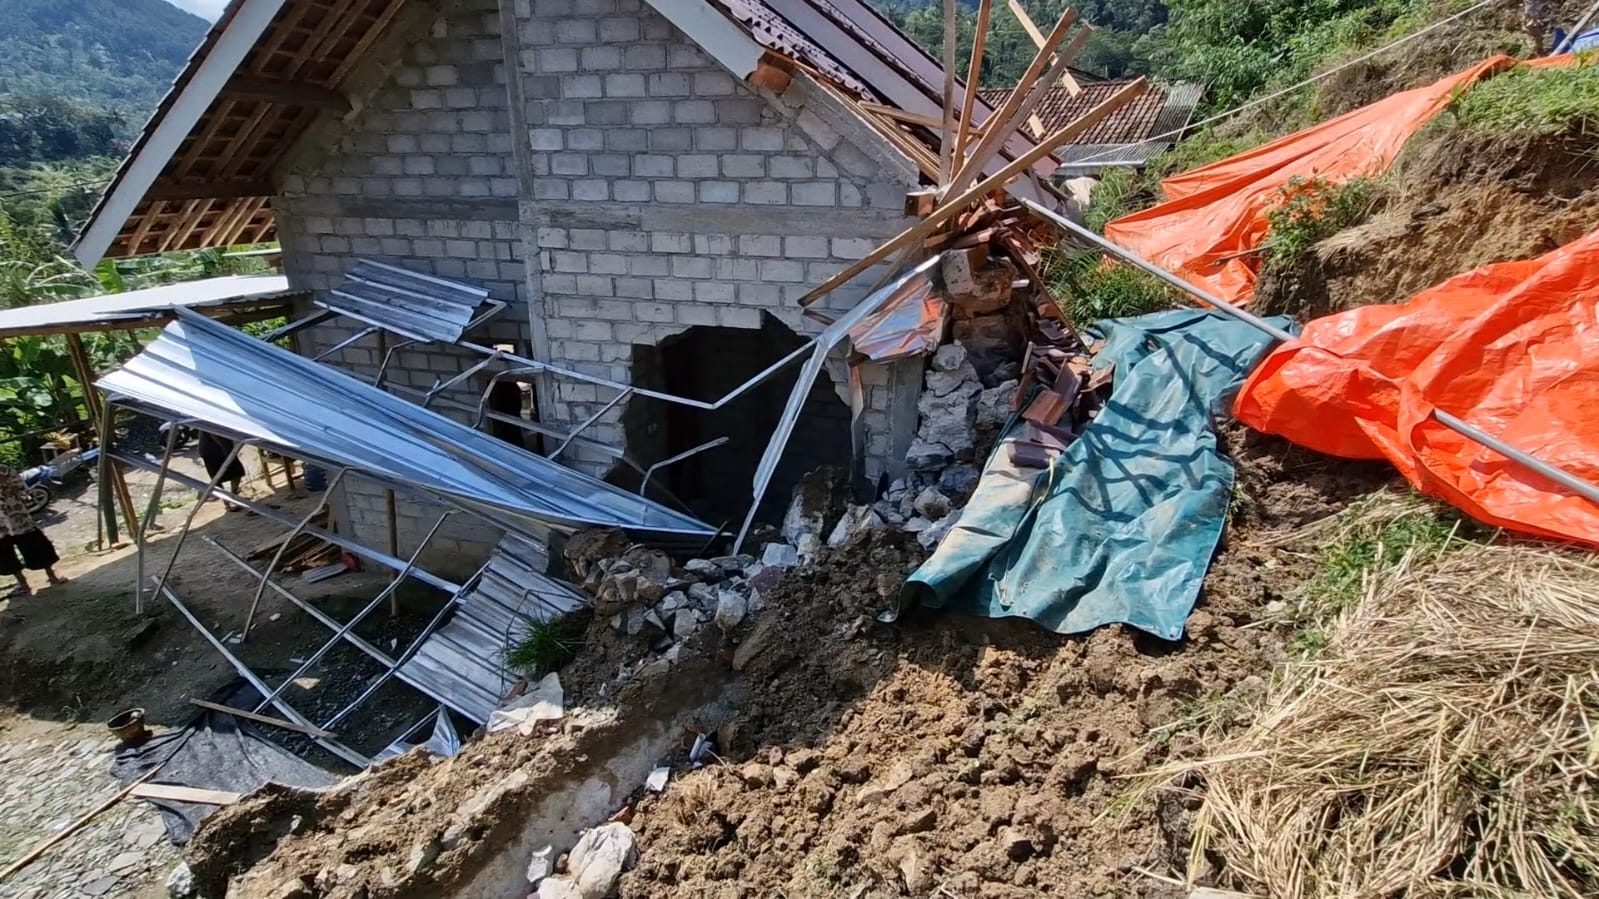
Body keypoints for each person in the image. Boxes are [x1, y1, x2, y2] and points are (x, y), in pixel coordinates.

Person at [0, 463, 63, 597]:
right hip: (16, 514)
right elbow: (22, 490)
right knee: (26, 546)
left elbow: (21, 490)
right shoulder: (5, 470)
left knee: (29, 546)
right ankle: (48, 577)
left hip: (15, 515)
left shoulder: (4, 470)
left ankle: (26, 584)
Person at [197, 431, 247, 511]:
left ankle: (233, 496)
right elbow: (214, 434)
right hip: (211, 451)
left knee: (237, 472)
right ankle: (228, 502)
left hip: (223, 447)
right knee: (217, 478)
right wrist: (227, 450)